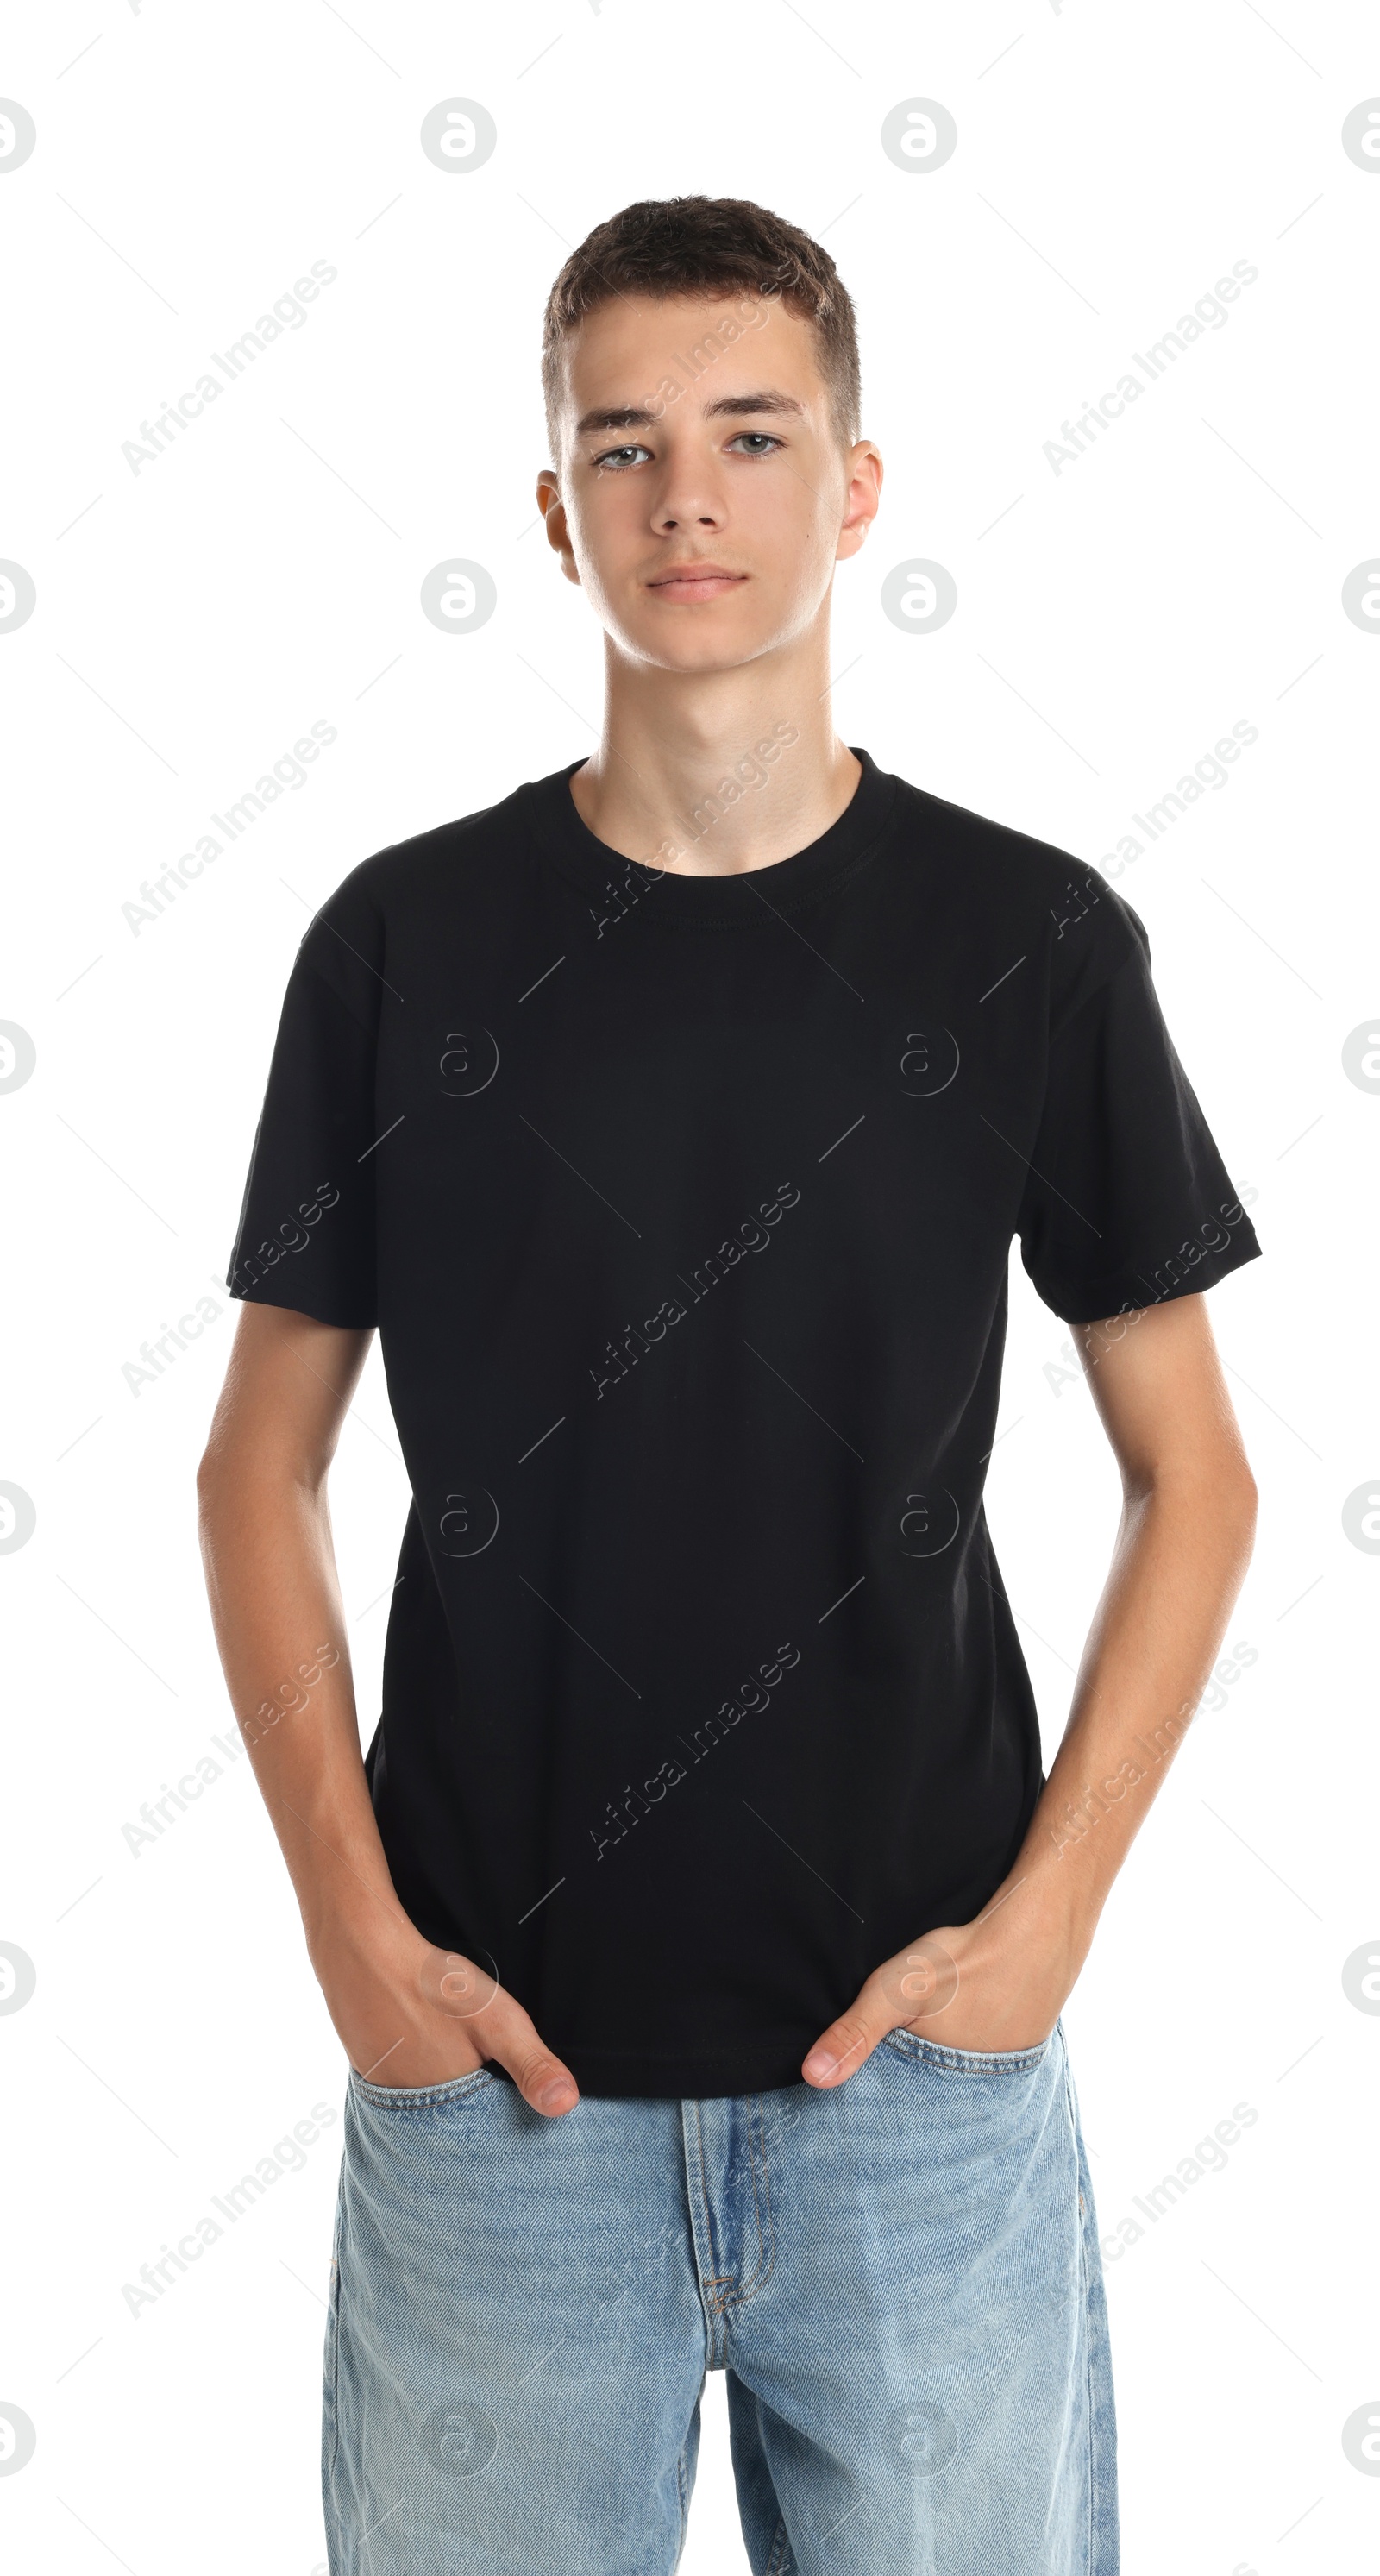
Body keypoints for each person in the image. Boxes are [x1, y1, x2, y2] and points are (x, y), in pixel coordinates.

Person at [198, 195, 1260, 2576]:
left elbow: (1195, 1475)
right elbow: (255, 1467)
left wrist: (1048, 1928)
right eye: (630, 445)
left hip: (917, 2086)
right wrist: (351, 1940)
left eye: (755, 435)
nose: (692, 501)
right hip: (500, 2101)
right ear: (554, 505)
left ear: (855, 486)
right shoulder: (403, 948)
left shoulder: (1029, 945)